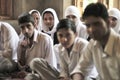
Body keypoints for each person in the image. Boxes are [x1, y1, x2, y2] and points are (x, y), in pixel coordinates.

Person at [28, 19, 97, 80]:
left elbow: (84, 71)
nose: (64, 39)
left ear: (75, 34)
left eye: (68, 35)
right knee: (35, 63)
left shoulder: (84, 45)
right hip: (69, 77)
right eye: (60, 36)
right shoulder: (60, 48)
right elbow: (64, 70)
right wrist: (62, 77)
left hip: (86, 77)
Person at [71, 2, 120, 80]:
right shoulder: (93, 44)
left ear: (108, 23)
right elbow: (81, 69)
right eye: (88, 25)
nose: (92, 29)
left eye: (97, 24)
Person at [17, 12, 57, 79]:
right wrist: (23, 52)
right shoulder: (21, 42)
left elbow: (50, 66)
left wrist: (30, 73)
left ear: (35, 25)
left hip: (46, 74)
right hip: (30, 74)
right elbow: (21, 67)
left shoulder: (46, 40)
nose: (26, 31)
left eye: (28, 26)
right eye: (22, 27)